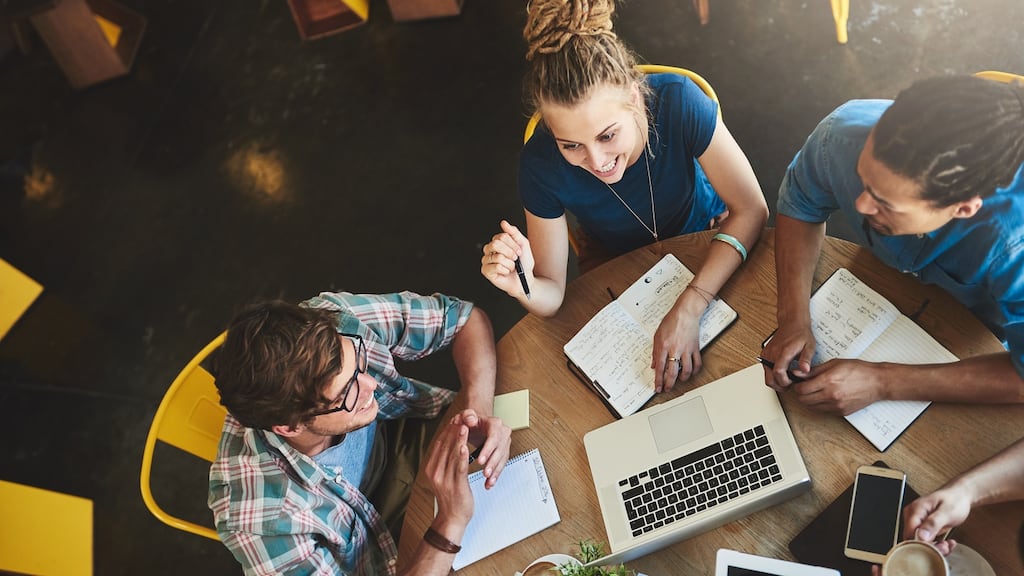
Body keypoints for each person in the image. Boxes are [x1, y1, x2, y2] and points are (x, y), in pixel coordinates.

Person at [480, 0, 768, 392]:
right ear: (550, 126)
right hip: (615, 261)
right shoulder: (540, 165)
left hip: (708, 232)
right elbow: (552, 294)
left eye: (607, 135)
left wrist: (690, 305)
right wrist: (522, 284)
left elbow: (751, 209)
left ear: (634, 96)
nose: (597, 162)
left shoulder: (680, 102)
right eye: (571, 146)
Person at [763, 74, 1024, 415]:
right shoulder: (841, 136)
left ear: (962, 208)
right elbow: (801, 204)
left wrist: (882, 382)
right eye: (863, 178)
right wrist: (793, 317)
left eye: (885, 203)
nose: (859, 206)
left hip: (979, 347)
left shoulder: (1015, 247)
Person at [207, 291, 512, 576]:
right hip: (380, 554)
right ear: (289, 427)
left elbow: (463, 318)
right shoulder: (266, 523)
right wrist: (450, 522)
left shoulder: (336, 321)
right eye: (346, 394)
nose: (372, 386)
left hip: (407, 435)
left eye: (358, 362)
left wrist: (478, 409)